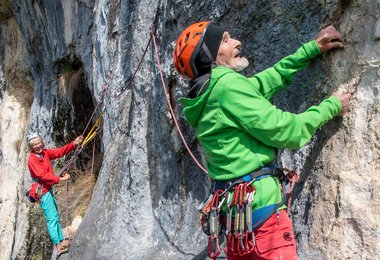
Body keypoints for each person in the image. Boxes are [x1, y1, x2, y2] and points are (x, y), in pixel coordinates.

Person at [173, 21, 351, 259]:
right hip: (264, 223)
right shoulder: (227, 86)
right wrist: (331, 106)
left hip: (237, 227)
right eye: (225, 40)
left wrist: (311, 49)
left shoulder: (206, 96)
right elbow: (288, 130)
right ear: (209, 55)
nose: (237, 42)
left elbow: (266, 81)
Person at [27, 133, 83, 255]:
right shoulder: (32, 159)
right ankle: (58, 245)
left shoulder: (45, 153)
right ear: (31, 147)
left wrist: (73, 144)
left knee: (55, 216)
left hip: (46, 188)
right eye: (34, 145)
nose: (37, 146)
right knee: (52, 219)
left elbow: (59, 152)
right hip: (42, 191)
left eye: (38, 143)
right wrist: (59, 179)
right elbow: (42, 175)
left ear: (42, 143)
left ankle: (61, 240)